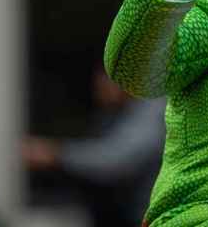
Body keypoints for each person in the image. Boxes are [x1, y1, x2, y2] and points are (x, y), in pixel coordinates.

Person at [23, 66, 165, 227]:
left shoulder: (152, 110)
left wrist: (56, 153)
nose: (100, 89)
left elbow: (116, 161)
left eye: (107, 81)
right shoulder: (112, 114)